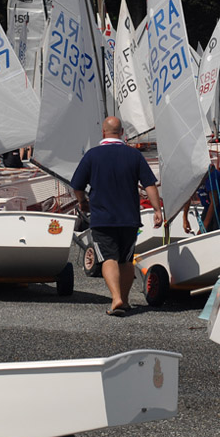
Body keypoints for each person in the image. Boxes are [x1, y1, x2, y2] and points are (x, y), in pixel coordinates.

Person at [71, 117, 163, 317]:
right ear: (122, 133)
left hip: (103, 217)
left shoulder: (92, 155)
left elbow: (77, 184)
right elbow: (149, 185)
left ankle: (116, 298)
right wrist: (157, 210)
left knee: (108, 258)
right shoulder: (134, 155)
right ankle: (126, 299)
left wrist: (82, 202)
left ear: (103, 132)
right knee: (126, 260)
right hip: (129, 217)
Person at [182, 164, 220, 234]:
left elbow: (214, 201)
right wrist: (185, 218)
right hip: (208, 207)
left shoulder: (211, 173)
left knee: (216, 234)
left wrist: (204, 227)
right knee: (202, 234)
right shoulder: (192, 176)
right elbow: (188, 196)